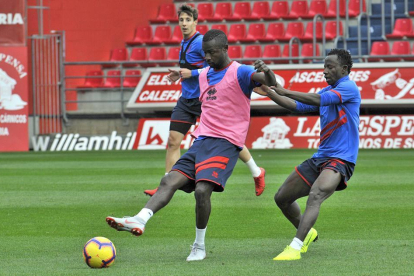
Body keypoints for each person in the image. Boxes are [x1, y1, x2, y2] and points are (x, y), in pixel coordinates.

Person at [107, 29, 277, 261]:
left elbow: (268, 82)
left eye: (212, 52)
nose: (207, 57)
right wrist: (181, 74)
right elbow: (196, 71)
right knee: (168, 180)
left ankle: (199, 246)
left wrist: (267, 72)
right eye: (205, 53)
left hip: (226, 144)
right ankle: (140, 219)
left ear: (225, 49)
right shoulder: (205, 73)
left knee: (201, 190)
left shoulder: (241, 71)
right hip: (202, 141)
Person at [143, 4, 266, 198]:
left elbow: (214, 67)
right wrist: (180, 75)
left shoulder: (201, 42)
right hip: (186, 99)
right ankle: (164, 185)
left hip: (206, 98)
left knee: (226, 135)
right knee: (173, 141)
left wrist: (190, 73)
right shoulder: (184, 42)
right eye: (181, 20)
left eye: (187, 20)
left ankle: (256, 172)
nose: (184, 24)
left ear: (195, 21)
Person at [255, 49, 360, 261]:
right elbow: (295, 106)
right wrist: (271, 93)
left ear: (344, 69)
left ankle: (295, 247)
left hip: (341, 159)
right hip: (321, 157)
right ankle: (308, 232)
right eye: (324, 66)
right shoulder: (325, 92)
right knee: (282, 198)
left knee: (316, 194)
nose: (325, 71)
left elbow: (316, 100)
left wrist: (284, 90)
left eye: (330, 67)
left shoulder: (348, 87)